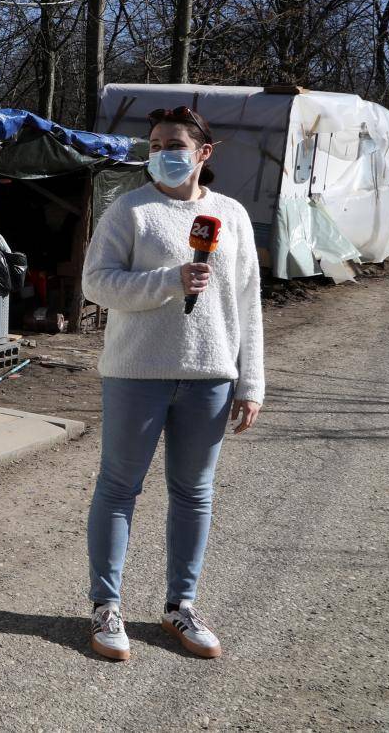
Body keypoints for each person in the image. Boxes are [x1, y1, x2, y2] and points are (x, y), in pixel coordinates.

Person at [80, 105, 263, 662]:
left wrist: (250, 379)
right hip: (137, 372)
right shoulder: (129, 210)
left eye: (175, 143)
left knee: (194, 493)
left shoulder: (230, 215)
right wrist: (168, 280)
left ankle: (180, 605)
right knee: (119, 488)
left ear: (204, 154)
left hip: (210, 375)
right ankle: (106, 608)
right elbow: (97, 284)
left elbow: (247, 301)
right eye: (156, 143)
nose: (164, 152)